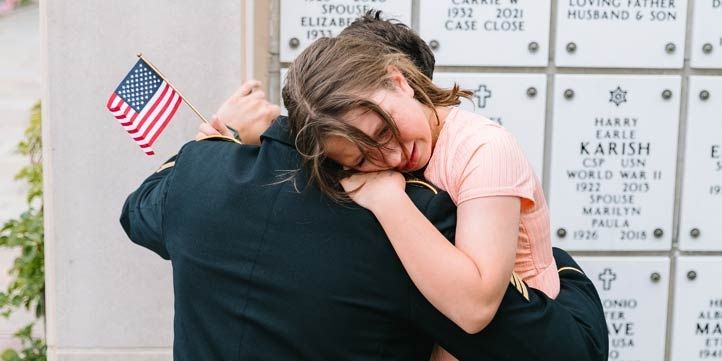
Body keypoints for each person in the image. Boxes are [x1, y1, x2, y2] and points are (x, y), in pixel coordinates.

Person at [123, 11, 607, 361]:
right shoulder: (405, 219)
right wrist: (565, 270)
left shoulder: (197, 176)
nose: (394, 158)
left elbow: (138, 209)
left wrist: (219, 134)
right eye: (367, 148)